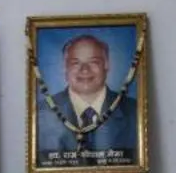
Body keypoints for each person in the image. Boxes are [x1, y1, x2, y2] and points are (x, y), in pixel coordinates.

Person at [34, 34, 138, 164]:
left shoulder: (135, 113)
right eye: (75, 63)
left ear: (106, 65)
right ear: (65, 68)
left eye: (93, 62)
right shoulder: (40, 114)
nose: (84, 70)